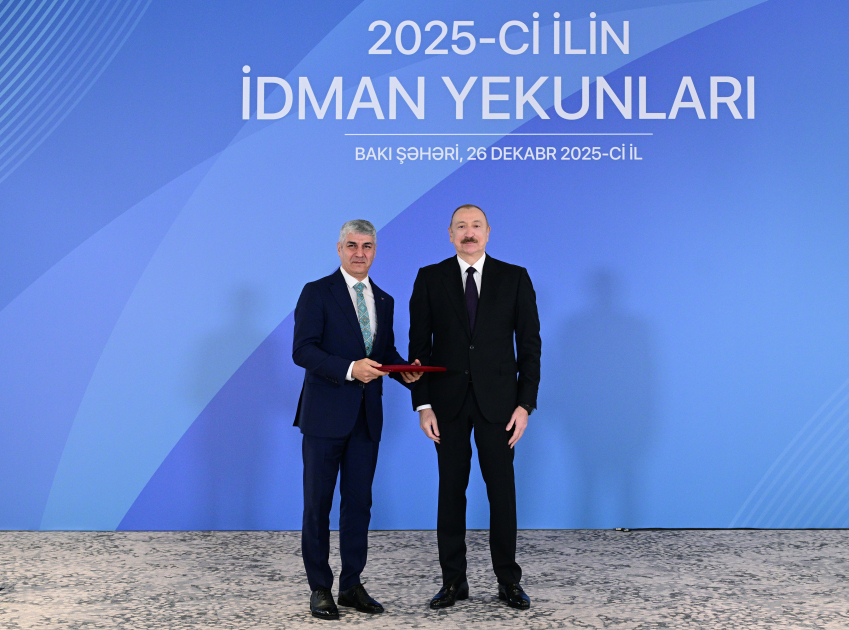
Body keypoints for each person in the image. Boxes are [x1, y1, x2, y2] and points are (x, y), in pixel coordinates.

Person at [408, 204, 541, 610]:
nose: (469, 232)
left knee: (502, 493)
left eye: (476, 225)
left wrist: (525, 405)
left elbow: (530, 346)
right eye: (461, 226)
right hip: (445, 405)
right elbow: (419, 346)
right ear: (450, 234)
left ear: (488, 232)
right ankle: (453, 582)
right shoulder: (429, 278)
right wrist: (423, 404)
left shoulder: (514, 278)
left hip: (499, 405)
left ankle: (508, 580)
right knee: (451, 492)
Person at [293, 219, 421, 620]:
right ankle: (320, 588)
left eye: (367, 246)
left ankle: (351, 584)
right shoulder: (317, 292)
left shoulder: (384, 299)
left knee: (358, 505)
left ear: (375, 251)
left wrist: (405, 371)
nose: (359, 253)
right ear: (339, 248)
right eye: (352, 245)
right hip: (323, 418)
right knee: (317, 505)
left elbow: (384, 354)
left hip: (366, 419)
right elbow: (303, 351)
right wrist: (349, 369)